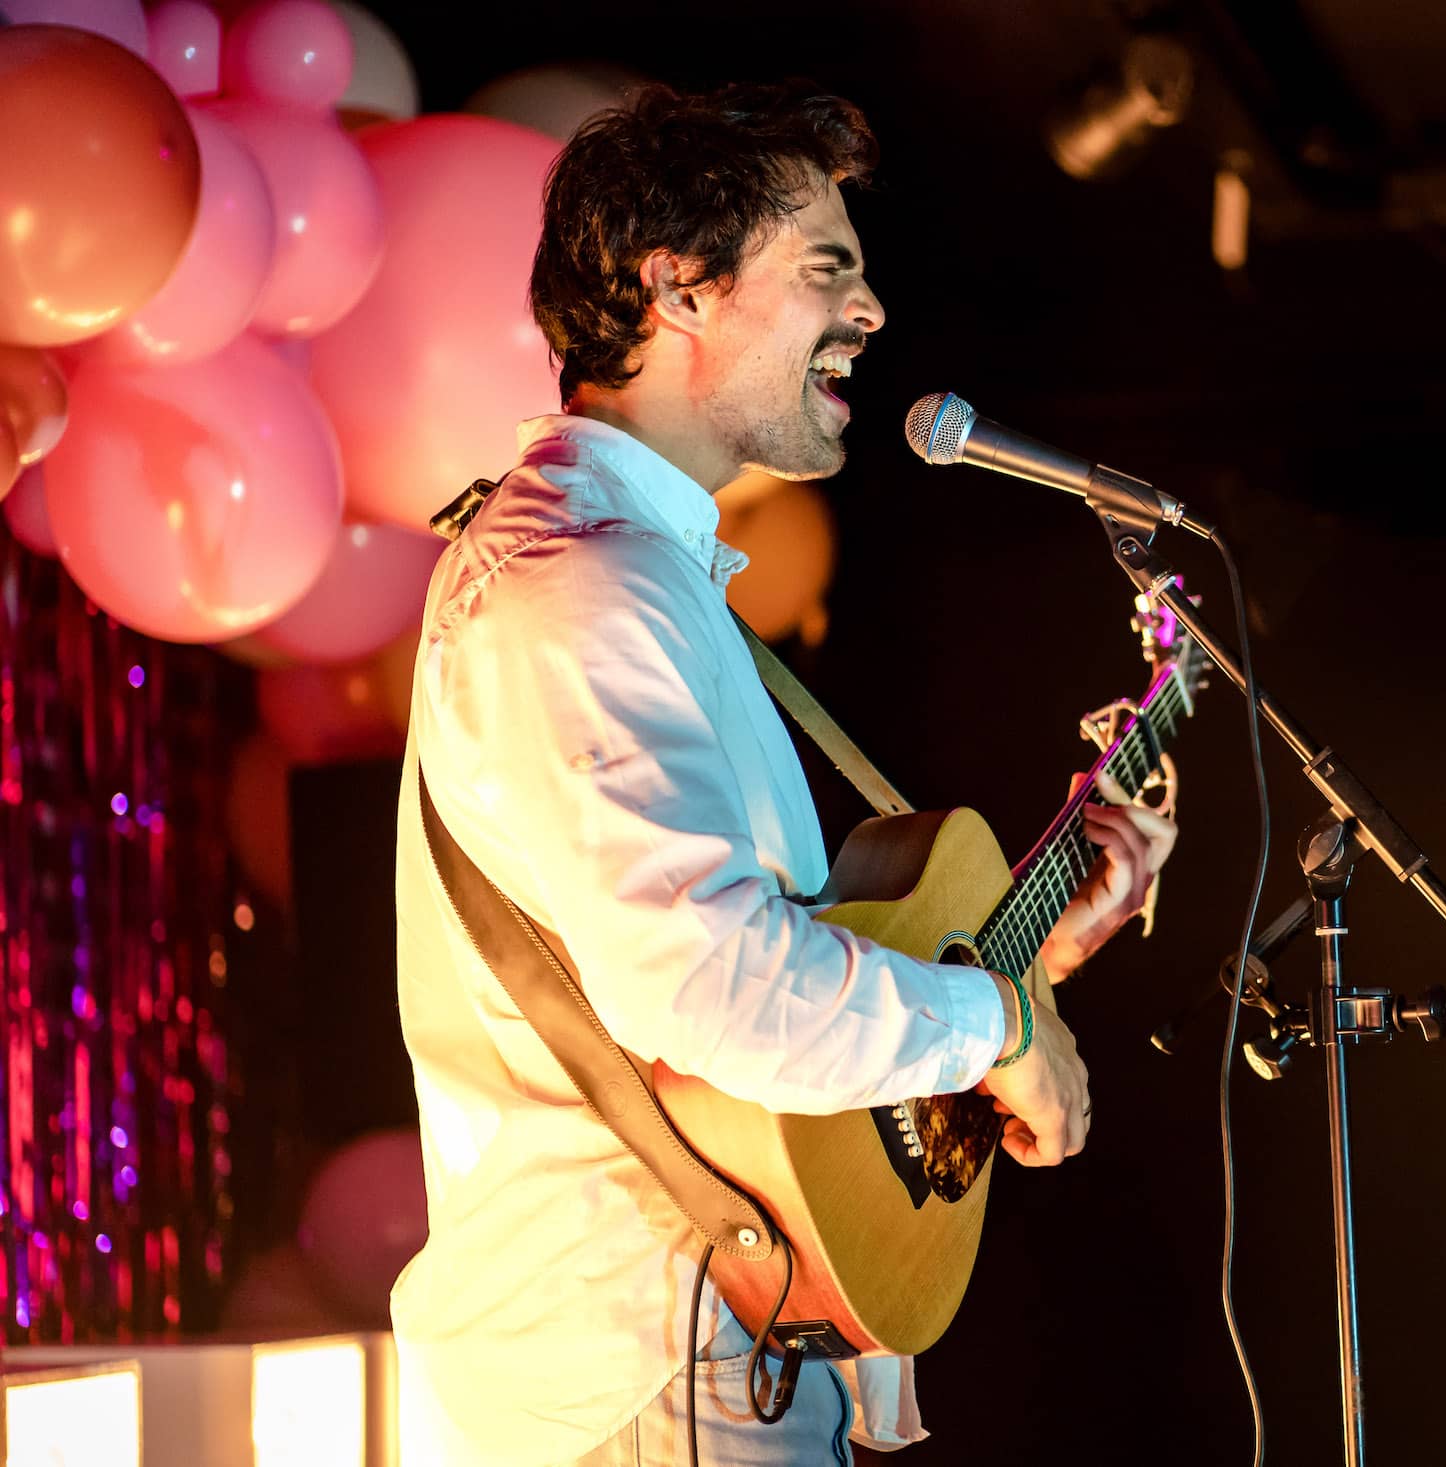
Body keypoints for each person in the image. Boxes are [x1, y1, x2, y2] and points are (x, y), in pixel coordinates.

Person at [390, 82, 1176, 1466]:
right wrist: (992, 1024)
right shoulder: (580, 591)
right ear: (675, 287)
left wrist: (1027, 963)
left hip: (708, 1357)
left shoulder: (641, 577)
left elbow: (745, 1003)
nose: (871, 312)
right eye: (828, 269)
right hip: (641, 1368)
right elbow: (704, 987)